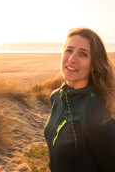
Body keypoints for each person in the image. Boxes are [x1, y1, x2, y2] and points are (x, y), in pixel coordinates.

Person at [44, 28, 115, 172]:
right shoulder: (57, 96)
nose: (72, 59)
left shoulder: (94, 111)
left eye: (83, 54)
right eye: (69, 50)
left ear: (94, 64)